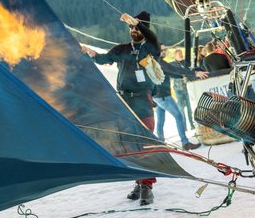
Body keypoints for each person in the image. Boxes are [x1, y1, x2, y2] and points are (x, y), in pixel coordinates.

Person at [81, 11, 160, 206]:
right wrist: (89, 53)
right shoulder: (122, 49)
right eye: (132, 27)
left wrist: (137, 22)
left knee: (145, 144)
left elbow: (154, 40)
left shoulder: (150, 49)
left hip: (143, 102)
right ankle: (139, 182)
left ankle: (147, 187)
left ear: (144, 29)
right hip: (124, 102)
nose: (134, 30)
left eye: (137, 27)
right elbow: (103, 58)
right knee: (129, 144)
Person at [154, 45, 208, 150]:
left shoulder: (156, 62)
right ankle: (185, 142)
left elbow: (171, 73)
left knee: (160, 120)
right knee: (179, 116)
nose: (165, 51)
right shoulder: (159, 62)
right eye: (163, 50)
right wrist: (194, 73)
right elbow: (174, 70)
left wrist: (186, 75)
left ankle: (160, 143)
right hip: (163, 96)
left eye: (166, 49)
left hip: (157, 95)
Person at [171, 49, 197, 130]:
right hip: (178, 90)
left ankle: (192, 125)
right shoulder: (172, 64)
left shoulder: (186, 63)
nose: (181, 55)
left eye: (181, 53)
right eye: (179, 54)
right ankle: (184, 127)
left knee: (190, 108)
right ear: (175, 56)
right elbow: (172, 75)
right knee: (181, 109)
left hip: (187, 89)